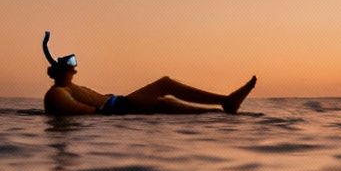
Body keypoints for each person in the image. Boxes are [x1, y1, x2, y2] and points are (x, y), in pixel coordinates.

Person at [41, 31, 256, 116]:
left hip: (119, 105)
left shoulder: (66, 88)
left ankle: (222, 109)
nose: (75, 69)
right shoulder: (57, 93)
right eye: (71, 66)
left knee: (165, 104)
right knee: (165, 85)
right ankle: (225, 102)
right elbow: (80, 111)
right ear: (59, 71)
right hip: (118, 109)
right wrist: (112, 117)